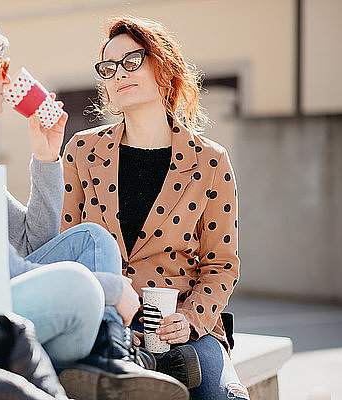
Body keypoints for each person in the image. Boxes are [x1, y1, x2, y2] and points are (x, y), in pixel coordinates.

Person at [0, 12, 188, 399]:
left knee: (93, 240)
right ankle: (107, 357)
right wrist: (111, 288)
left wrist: (46, 159)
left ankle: (108, 357)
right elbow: (6, 275)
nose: (8, 77)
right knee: (78, 285)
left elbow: (33, 243)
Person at [60, 16, 250, 400]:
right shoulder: (81, 150)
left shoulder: (210, 161)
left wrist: (191, 319)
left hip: (183, 328)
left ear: (164, 68)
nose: (119, 73)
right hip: (106, 325)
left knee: (213, 393)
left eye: (133, 60)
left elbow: (222, 265)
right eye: (109, 67)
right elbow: (68, 248)